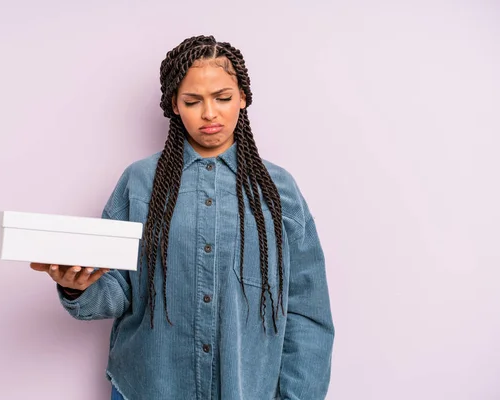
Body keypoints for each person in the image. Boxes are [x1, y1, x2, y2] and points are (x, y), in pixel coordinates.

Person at [31, 35, 334, 400]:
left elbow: (307, 314)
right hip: (147, 387)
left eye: (222, 98)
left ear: (243, 98)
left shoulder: (278, 191)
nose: (209, 113)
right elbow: (117, 292)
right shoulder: (139, 183)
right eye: (193, 101)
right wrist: (76, 286)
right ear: (174, 105)